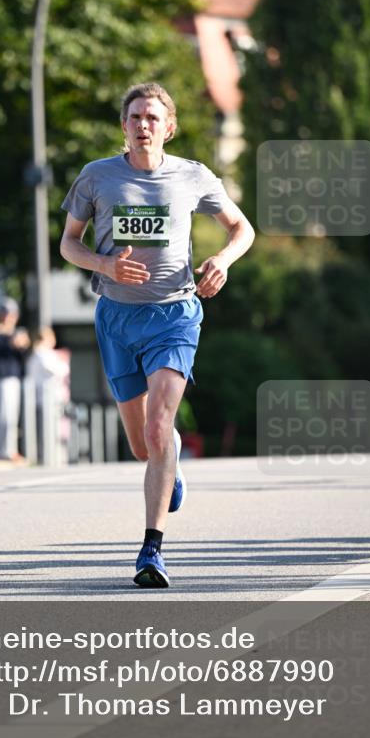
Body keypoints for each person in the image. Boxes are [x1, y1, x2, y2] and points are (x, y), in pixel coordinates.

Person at [60, 81, 255, 587]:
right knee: (142, 444)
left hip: (175, 315)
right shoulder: (96, 177)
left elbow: (242, 229)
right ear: (123, 127)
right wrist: (104, 263)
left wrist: (223, 261)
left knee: (157, 425)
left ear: (169, 127)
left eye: (152, 118)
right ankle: (170, 466)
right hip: (116, 319)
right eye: (135, 117)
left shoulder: (193, 176)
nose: (143, 125)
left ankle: (152, 550)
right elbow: (67, 244)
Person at [0, 299, 29, 461]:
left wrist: (22, 345)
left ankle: (10, 449)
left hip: (14, 379)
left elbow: (22, 357)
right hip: (0, 379)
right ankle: (1, 450)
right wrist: (11, 342)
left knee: (12, 417)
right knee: (3, 417)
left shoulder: (17, 332)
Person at [26, 326, 71, 464]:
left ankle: (49, 457)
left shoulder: (36, 355)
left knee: (49, 429)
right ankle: (49, 458)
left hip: (45, 397)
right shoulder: (42, 354)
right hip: (47, 398)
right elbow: (61, 370)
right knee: (49, 430)